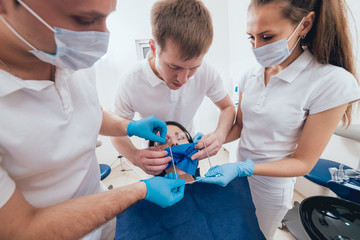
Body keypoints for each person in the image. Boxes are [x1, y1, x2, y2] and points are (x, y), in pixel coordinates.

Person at [0, 1, 186, 239]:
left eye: (107, 18)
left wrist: (127, 126)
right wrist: (140, 190)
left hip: (103, 217)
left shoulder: (70, 55)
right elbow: (20, 229)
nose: (102, 36)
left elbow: (86, 111)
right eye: (84, 20)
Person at [199, 0, 360, 239]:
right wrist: (216, 137)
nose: (256, 47)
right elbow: (241, 125)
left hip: (270, 188)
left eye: (266, 36)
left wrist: (246, 168)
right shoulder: (250, 74)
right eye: (251, 37)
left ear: (305, 24)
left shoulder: (330, 82)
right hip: (235, 175)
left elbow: (303, 162)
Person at [111, 0, 236, 176]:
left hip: (189, 157)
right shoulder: (130, 82)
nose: (184, 79)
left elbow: (227, 107)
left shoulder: (207, 71)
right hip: (156, 163)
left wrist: (220, 136)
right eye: (175, 67)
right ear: (154, 48)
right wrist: (135, 157)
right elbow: (116, 133)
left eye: (193, 68)